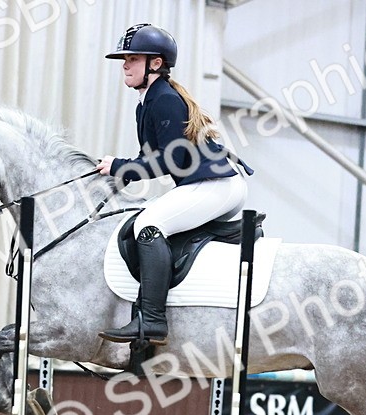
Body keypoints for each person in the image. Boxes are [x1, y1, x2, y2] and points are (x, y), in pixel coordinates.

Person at [97, 23, 251, 347]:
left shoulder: (164, 99)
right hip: (207, 183)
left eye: (133, 58)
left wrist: (121, 168)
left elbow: (169, 161)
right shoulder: (148, 101)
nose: (125, 64)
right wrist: (117, 172)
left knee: (149, 225)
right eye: (124, 59)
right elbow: (149, 156)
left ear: (155, 63)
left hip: (216, 184)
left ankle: (152, 320)